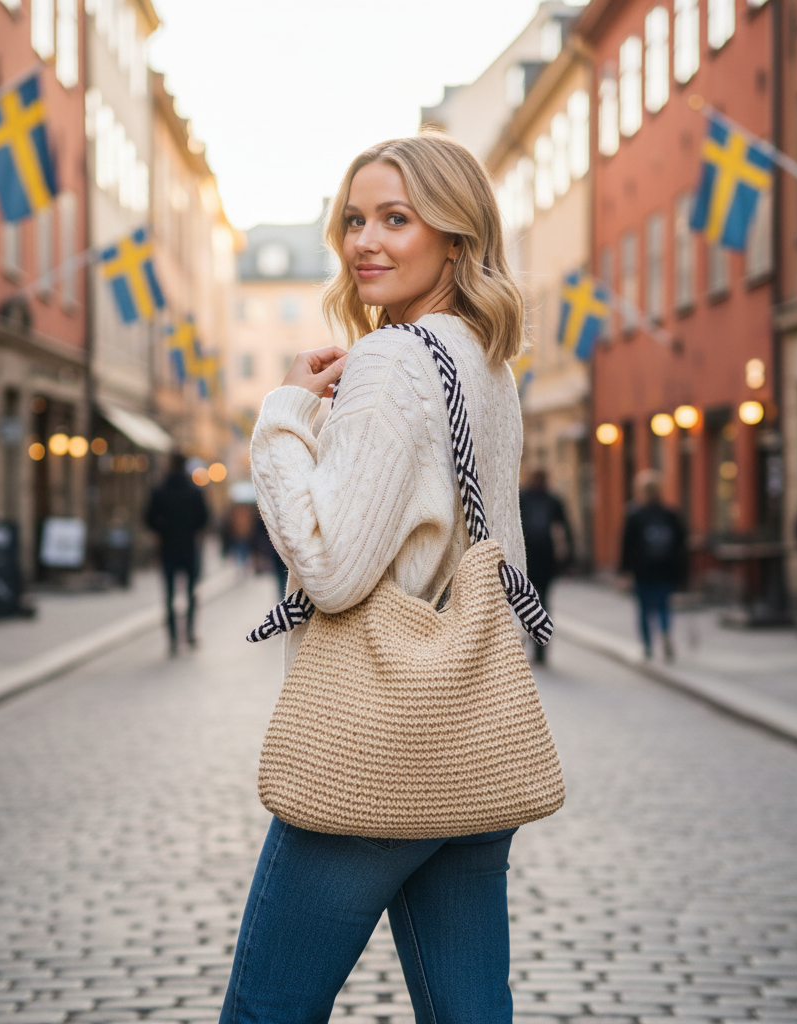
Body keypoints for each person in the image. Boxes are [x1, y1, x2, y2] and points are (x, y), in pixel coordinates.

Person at [220, 134, 529, 1022]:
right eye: (355, 220)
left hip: (377, 746)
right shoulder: (486, 362)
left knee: (265, 1012)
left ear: (455, 238)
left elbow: (330, 568)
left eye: (397, 219)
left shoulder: (392, 362)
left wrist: (284, 415)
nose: (366, 241)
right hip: (471, 738)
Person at [619, 469, 687, 662]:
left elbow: (627, 545)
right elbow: (681, 543)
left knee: (644, 608)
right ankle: (665, 631)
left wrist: (625, 571)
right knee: (663, 604)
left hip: (643, 569)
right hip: (666, 568)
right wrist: (683, 571)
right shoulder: (670, 514)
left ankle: (648, 645)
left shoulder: (635, 515)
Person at [145, 452, 209, 656]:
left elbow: (148, 518)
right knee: (191, 593)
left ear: (170, 465)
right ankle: (189, 633)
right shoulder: (194, 491)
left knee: (169, 595)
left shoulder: (160, 491)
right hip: (189, 548)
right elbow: (204, 518)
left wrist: (164, 529)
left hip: (168, 548)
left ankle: (172, 639)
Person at [519, 468, 572, 663]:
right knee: (540, 603)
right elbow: (565, 529)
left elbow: (564, 529)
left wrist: (566, 559)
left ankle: (537, 646)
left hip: (533, 557)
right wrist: (567, 559)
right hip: (539, 557)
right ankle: (538, 645)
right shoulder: (549, 499)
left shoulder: (527, 498)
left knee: (529, 602)